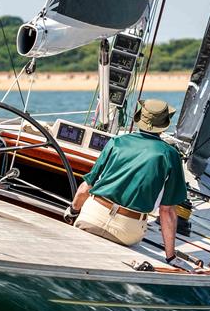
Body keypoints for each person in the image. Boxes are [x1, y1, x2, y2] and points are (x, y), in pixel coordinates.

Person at [69, 99, 193, 270]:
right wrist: (170, 257)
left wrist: (72, 211)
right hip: (127, 231)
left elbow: (86, 186)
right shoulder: (170, 155)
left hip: (92, 217)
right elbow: (167, 211)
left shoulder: (116, 142)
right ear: (164, 124)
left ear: (138, 118)